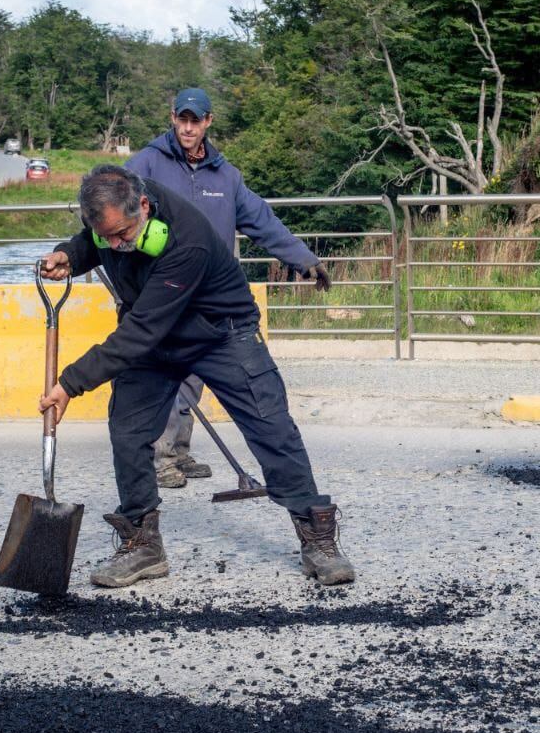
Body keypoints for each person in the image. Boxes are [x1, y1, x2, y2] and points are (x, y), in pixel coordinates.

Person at [38, 165, 354, 587]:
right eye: (105, 236)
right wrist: (72, 254)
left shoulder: (188, 242)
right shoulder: (115, 221)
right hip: (154, 336)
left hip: (220, 332)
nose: (115, 245)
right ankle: (142, 544)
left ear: (144, 207)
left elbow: (141, 332)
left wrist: (70, 383)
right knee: (128, 430)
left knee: (272, 426)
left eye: (123, 235)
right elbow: (99, 240)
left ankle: (317, 537)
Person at [125, 87, 330, 489]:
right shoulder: (146, 164)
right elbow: (113, 205)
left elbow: (262, 221)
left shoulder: (226, 176)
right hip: (163, 289)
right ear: (172, 118)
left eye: (195, 120)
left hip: (209, 294)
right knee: (166, 373)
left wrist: (303, 259)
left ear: (208, 122)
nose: (188, 127)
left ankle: (178, 452)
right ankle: (159, 458)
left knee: (193, 376)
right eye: (182, 119)